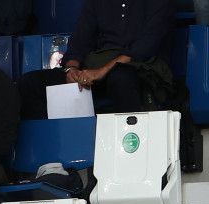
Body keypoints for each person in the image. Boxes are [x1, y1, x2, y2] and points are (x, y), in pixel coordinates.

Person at [15, 0, 173, 117]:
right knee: (29, 83)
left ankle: (130, 149)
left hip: (141, 68)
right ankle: (56, 146)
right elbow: (80, 40)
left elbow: (146, 46)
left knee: (121, 78)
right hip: (99, 68)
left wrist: (102, 71)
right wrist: (72, 69)